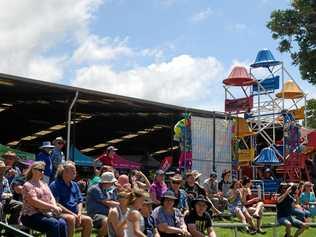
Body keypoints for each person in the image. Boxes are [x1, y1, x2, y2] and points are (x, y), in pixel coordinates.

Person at [20, 161, 67, 237]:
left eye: (43, 170)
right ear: (33, 170)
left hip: (45, 214)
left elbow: (51, 197)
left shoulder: (44, 184)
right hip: (30, 216)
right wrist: (52, 207)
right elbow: (34, 202)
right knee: (53, 223)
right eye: (40, 170)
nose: (42, 172)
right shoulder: (28, 185)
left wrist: (55, 207)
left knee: (62, 223)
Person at [50, 161, 93, 237]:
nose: (75, 172)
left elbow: (79, 200)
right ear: (65, 172)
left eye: (75, 170)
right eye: (73, 170)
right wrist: (73, 214)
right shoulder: (55, 185)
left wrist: (79, 213)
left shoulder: (75, 184)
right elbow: (56, 204)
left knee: (88, 220)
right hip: (60, 214)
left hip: (75, 214)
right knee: (71, 218)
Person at [86, 171, 119, 237]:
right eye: (112, 183)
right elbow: (106, 202)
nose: (113, 184)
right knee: (107, 221)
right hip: (95, 215)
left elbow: (112, 201)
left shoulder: (105, 189)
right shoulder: (95, 189)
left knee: (118, 219)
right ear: (106, 182)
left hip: (105, 214)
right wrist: (120, 204)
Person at [0, 160, 23, 225]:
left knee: (19, 204)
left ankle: (12, 226)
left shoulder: (5, 180)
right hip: (1, 202)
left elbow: (9, 193)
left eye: (2, 170)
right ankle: (2, 224)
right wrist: (4, 196)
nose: (1, 172)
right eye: (0, 170)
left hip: (4, 201)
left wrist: (5, 196)